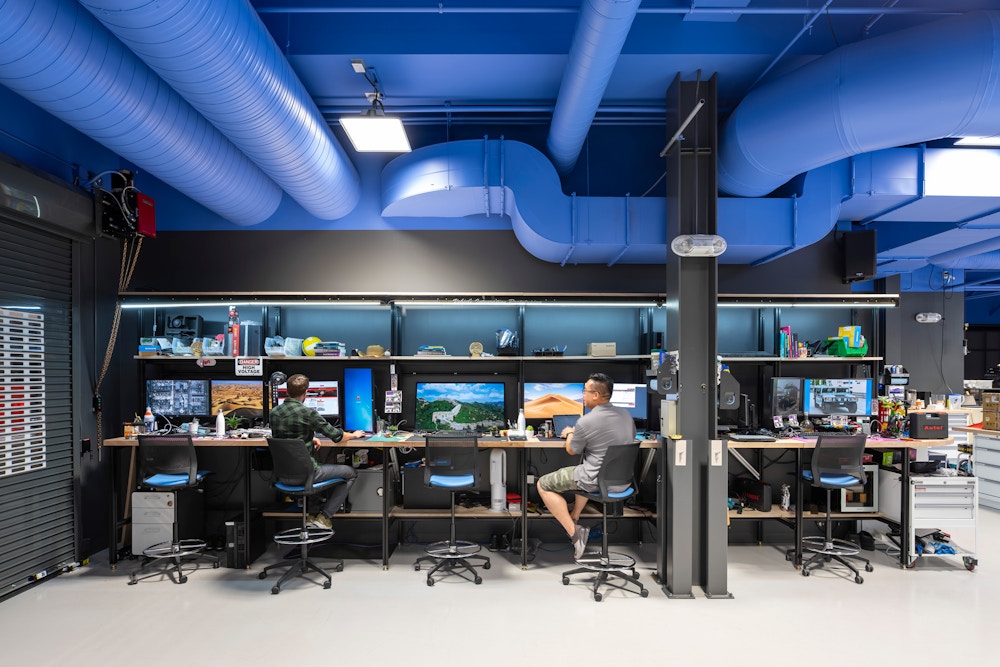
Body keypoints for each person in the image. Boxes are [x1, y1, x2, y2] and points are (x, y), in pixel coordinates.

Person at [536, 372, 636, 559]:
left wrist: (570, 433)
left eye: (585, 391)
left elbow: (571, 450)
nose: (582, 395)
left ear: (596, 395)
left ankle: (575, 532)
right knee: (585, 464)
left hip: (595, 481)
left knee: (543, 484)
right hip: (622, 483)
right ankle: (574, 514)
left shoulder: (586, 421)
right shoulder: (626, 415)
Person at [268, 373, 367, 531]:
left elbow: (286, 437)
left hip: (283, 477)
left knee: (313, 463)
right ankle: (325, 516)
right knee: (350, 473)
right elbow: (337, 436)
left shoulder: (274, 413)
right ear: (306, 392)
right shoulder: (308, 413)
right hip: (307, 475)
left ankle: (311, 515)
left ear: (287, 391)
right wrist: (354, 435)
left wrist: (309, 439)